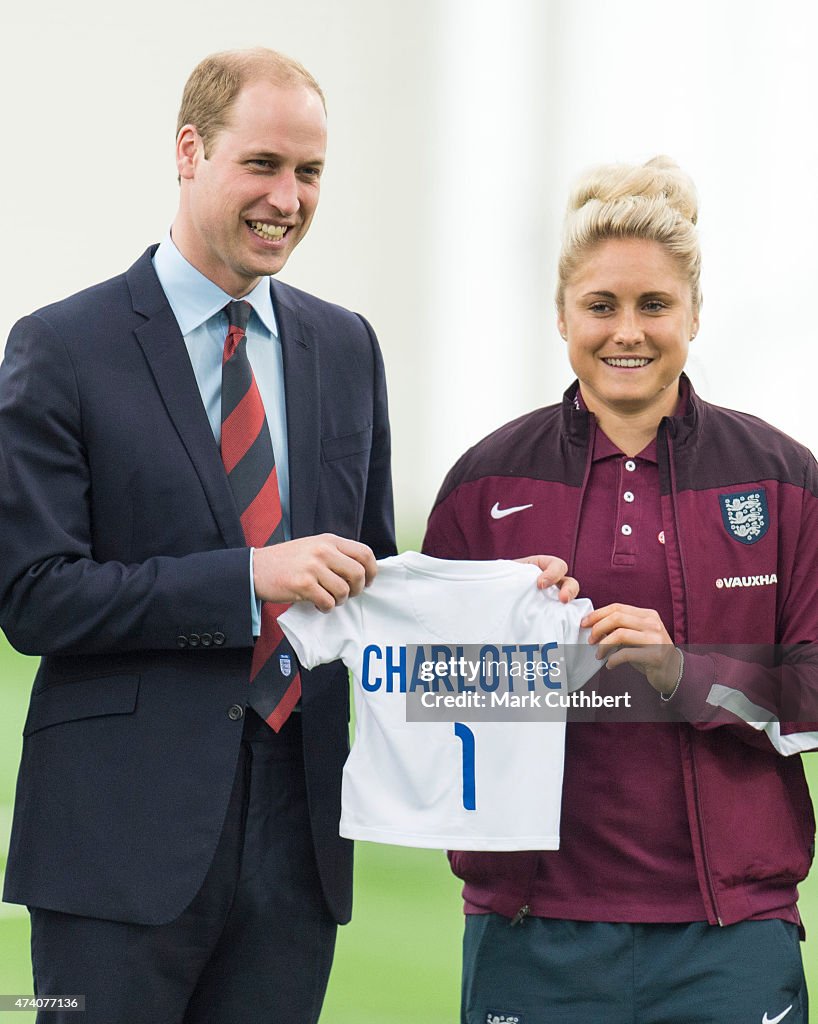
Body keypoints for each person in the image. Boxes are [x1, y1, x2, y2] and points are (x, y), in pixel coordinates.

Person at [0, 47, 395, 1024]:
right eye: (262, 164)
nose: (288, 197)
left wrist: (512, 597)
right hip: (116, 847)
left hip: (299, 841)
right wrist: (249, 577)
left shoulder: (345, 347)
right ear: (189, 150)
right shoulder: (60, 347)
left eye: (309, 173)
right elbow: (36, 593)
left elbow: (371, 576)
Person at [422, 156, 818, 1024]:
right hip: (530, 933)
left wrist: (684, 671)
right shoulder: (481, 487)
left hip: (730, 936)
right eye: (600, 306)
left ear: (695, 313)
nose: (626, 331)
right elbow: (423, 703)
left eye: (653, 305)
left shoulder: (785, 481)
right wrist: (514, 651)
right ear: (561, 315)